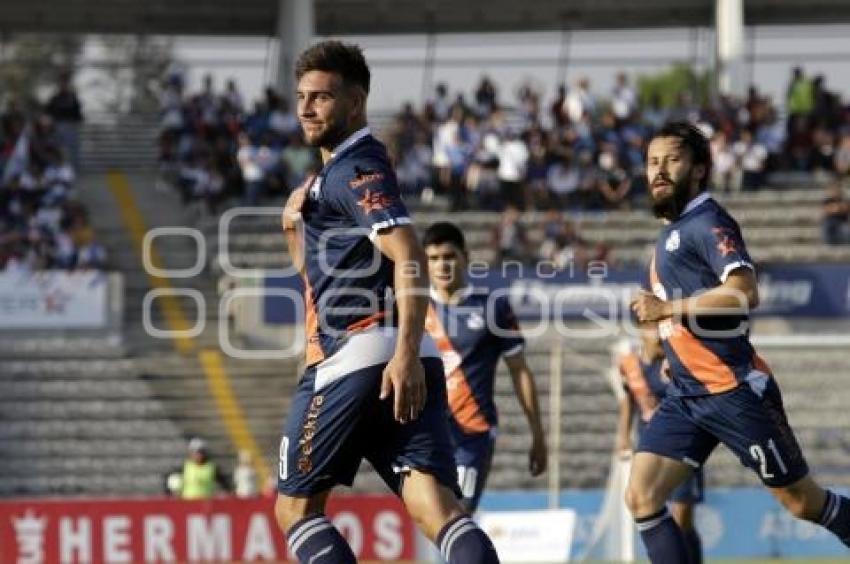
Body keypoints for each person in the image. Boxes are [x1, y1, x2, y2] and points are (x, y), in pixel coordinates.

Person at [275, 41, 500, 564]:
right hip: (401, 355)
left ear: (354, 104)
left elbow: (408, 253)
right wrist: (296, 225)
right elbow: (322, 275)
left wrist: (402, 352)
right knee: (435, 508)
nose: (306, 107)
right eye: (302, 97)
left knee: (297, 512)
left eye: (321, 97)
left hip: (359, 354)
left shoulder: (355, 169)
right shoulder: (339, 175)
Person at [628, 121, 850, 563]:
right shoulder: (670, 233)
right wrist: (674, 348)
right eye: (653, 162)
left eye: (672, 160)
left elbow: (744, 291)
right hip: (688, 394)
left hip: (733, 391)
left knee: (802, 502)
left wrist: (668, 312)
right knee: (642, 497)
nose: (659, 171)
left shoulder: (707, 221)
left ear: (698, 169)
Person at [422, 222, 547, 512]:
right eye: (434, 258)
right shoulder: (412, 308)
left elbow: (520, 371)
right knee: (435, 520)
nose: (442, 265)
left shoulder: (494, 308)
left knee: (458, 516)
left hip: (473, 432)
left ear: (465, 256)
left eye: (449, 256)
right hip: (426, 432)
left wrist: (537, 434)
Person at [615, 325, 703, 564]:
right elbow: (628, 402)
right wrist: (623, 435)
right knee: (649, 506)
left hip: (683, 444)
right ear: (641, 331)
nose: (658, 335)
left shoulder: (674, 361)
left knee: (682, 516)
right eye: (652, 329)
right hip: (650, 445)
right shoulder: (630, 365)